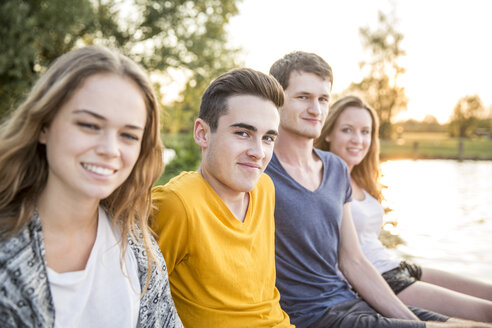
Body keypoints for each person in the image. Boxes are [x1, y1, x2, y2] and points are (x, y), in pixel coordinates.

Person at [265, 51, 492, 328]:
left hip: (351, 300)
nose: (316, 109)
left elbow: (354, 261)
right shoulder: (260, 171)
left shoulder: (335, 168)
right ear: (276, 101)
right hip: (313, 316)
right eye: (303, 97)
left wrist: (410, 321)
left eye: (323, 99)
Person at [0, 46, 182, 328]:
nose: (111, 150)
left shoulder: (136, 244)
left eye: (129, 135)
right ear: (44, 126)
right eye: (89, 125)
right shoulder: (7, 250)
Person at [314, 95, 492, 322]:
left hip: (397, 265)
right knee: (486, 313)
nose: (358, 139)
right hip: (378, 282)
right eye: (347, 130)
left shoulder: (362, 179)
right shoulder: (320, 179)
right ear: (327, 132)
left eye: (365, 131)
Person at [151, 68, 293, 327]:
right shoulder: (177, 205)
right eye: (243, 133)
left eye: (268, 138)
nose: (259, 153)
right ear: (202, 134)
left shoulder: (265, 188)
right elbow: (136, 300)